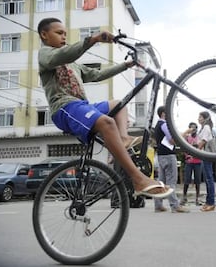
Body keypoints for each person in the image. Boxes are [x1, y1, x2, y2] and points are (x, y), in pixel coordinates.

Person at [37, 17, 173, 199]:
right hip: (64, 108)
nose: (64, 37)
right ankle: (138, 179)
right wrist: (92, 39)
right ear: (44, 35)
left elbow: (97, 74)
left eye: (65, 34)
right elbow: (63, 55)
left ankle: (124, 138)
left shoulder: (72, 64)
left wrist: (125, 66)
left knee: (118, 104)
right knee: (107, 123)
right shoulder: (45, 54)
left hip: (81, 106)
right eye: (59, 33)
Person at [153, 106, 190, 213]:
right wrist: (185, 133)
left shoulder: (157, 125)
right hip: (169, 155)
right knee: (171, 181)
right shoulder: (165, 124)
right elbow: (172, 140)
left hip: (160, 155)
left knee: (161, 181)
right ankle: (175, 206)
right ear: (164, 113)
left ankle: (158, 205)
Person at [197, 111, 216, 212]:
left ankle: (211, 203)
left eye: (200, 117)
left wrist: (195, 150)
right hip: (205, 155)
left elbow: (203, 142)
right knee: (208, 179)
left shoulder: (206, 127)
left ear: (205, 118)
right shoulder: (204, 127)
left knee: (209, 179)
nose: (198, 119)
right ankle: (208, 202)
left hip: (207, 155)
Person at [181, 122, 203, 206]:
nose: (193, 130)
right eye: (191, 128)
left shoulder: (199, 137)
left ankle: (197, 198)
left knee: (197, 181)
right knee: (187, 180)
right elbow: (183, 146)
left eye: (195, 128)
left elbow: (201, 147)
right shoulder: (187, 138)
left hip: (198, 161)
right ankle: (184, 197)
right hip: (189, 162)